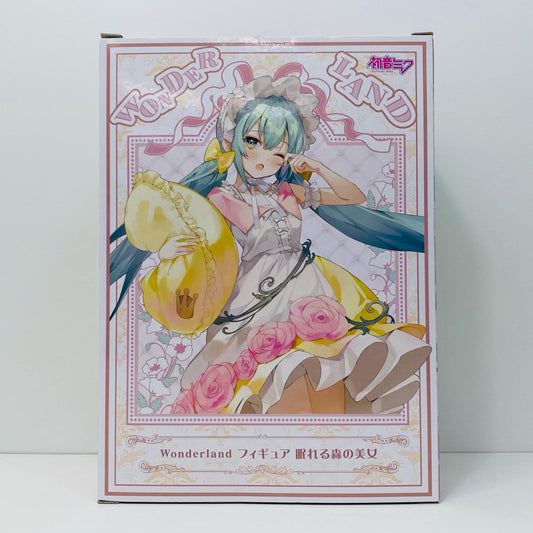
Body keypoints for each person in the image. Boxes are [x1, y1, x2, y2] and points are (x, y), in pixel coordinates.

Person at [111, 75, 431, 416]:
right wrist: (165, 252)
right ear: (233, 139)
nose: (264, 157)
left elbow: (352, 196)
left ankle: (329, 436)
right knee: (274, 379)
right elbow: (201, 250)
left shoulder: (289, 192)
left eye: (279, 150)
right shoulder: (220, 197)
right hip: (252, 292)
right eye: (253, 141)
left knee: (325, 364)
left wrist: (318, 167)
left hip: (307, 283)